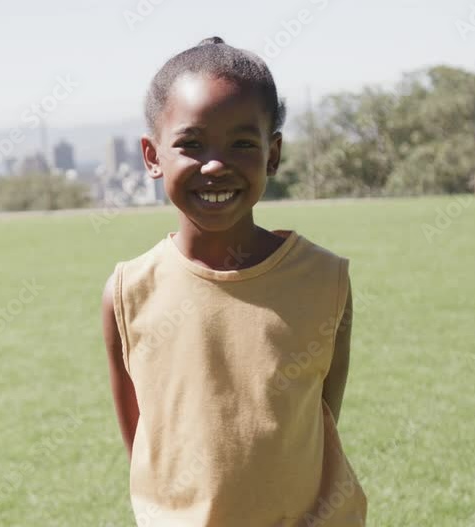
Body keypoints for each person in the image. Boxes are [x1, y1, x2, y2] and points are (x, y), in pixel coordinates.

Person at [101, 36, 368, 526]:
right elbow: (143, 442)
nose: (216, 164)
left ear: (273, 154)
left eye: (242, 143)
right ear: (152, 155)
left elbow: (317, 416)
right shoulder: (129, 291)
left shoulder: (325, 279)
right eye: (191, 144)